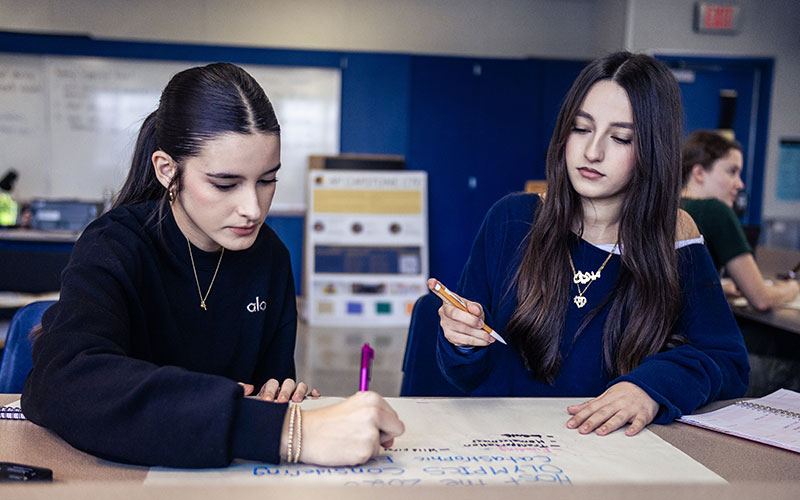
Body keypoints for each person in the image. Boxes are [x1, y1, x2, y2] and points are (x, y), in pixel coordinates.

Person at [22, 62, 404, 468]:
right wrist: (287, 432)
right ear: (167, 170)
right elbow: (62, 384)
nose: (252, 208)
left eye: (267, 180)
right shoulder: (114, 245)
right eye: (225, 184)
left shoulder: (270, 257)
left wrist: (279, 399)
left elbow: (269, 392)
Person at [431, 52, 749, 438]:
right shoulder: (511, 220)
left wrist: (649, 388)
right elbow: (464, 375)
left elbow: (728, 362)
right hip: (506, 448)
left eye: (620, 138)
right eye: (581, 129)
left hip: (613, 454)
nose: (592, 152)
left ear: (653, 149)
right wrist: (461, 341)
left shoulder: (674, 236)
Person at [681, 130, 799, 310]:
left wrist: (719, 287)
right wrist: (790, 289)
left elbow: (680, 287)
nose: (740, 184)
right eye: (732, 172)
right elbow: (761, 299)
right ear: (699, 173)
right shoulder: (715, 210)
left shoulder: (671, 208)